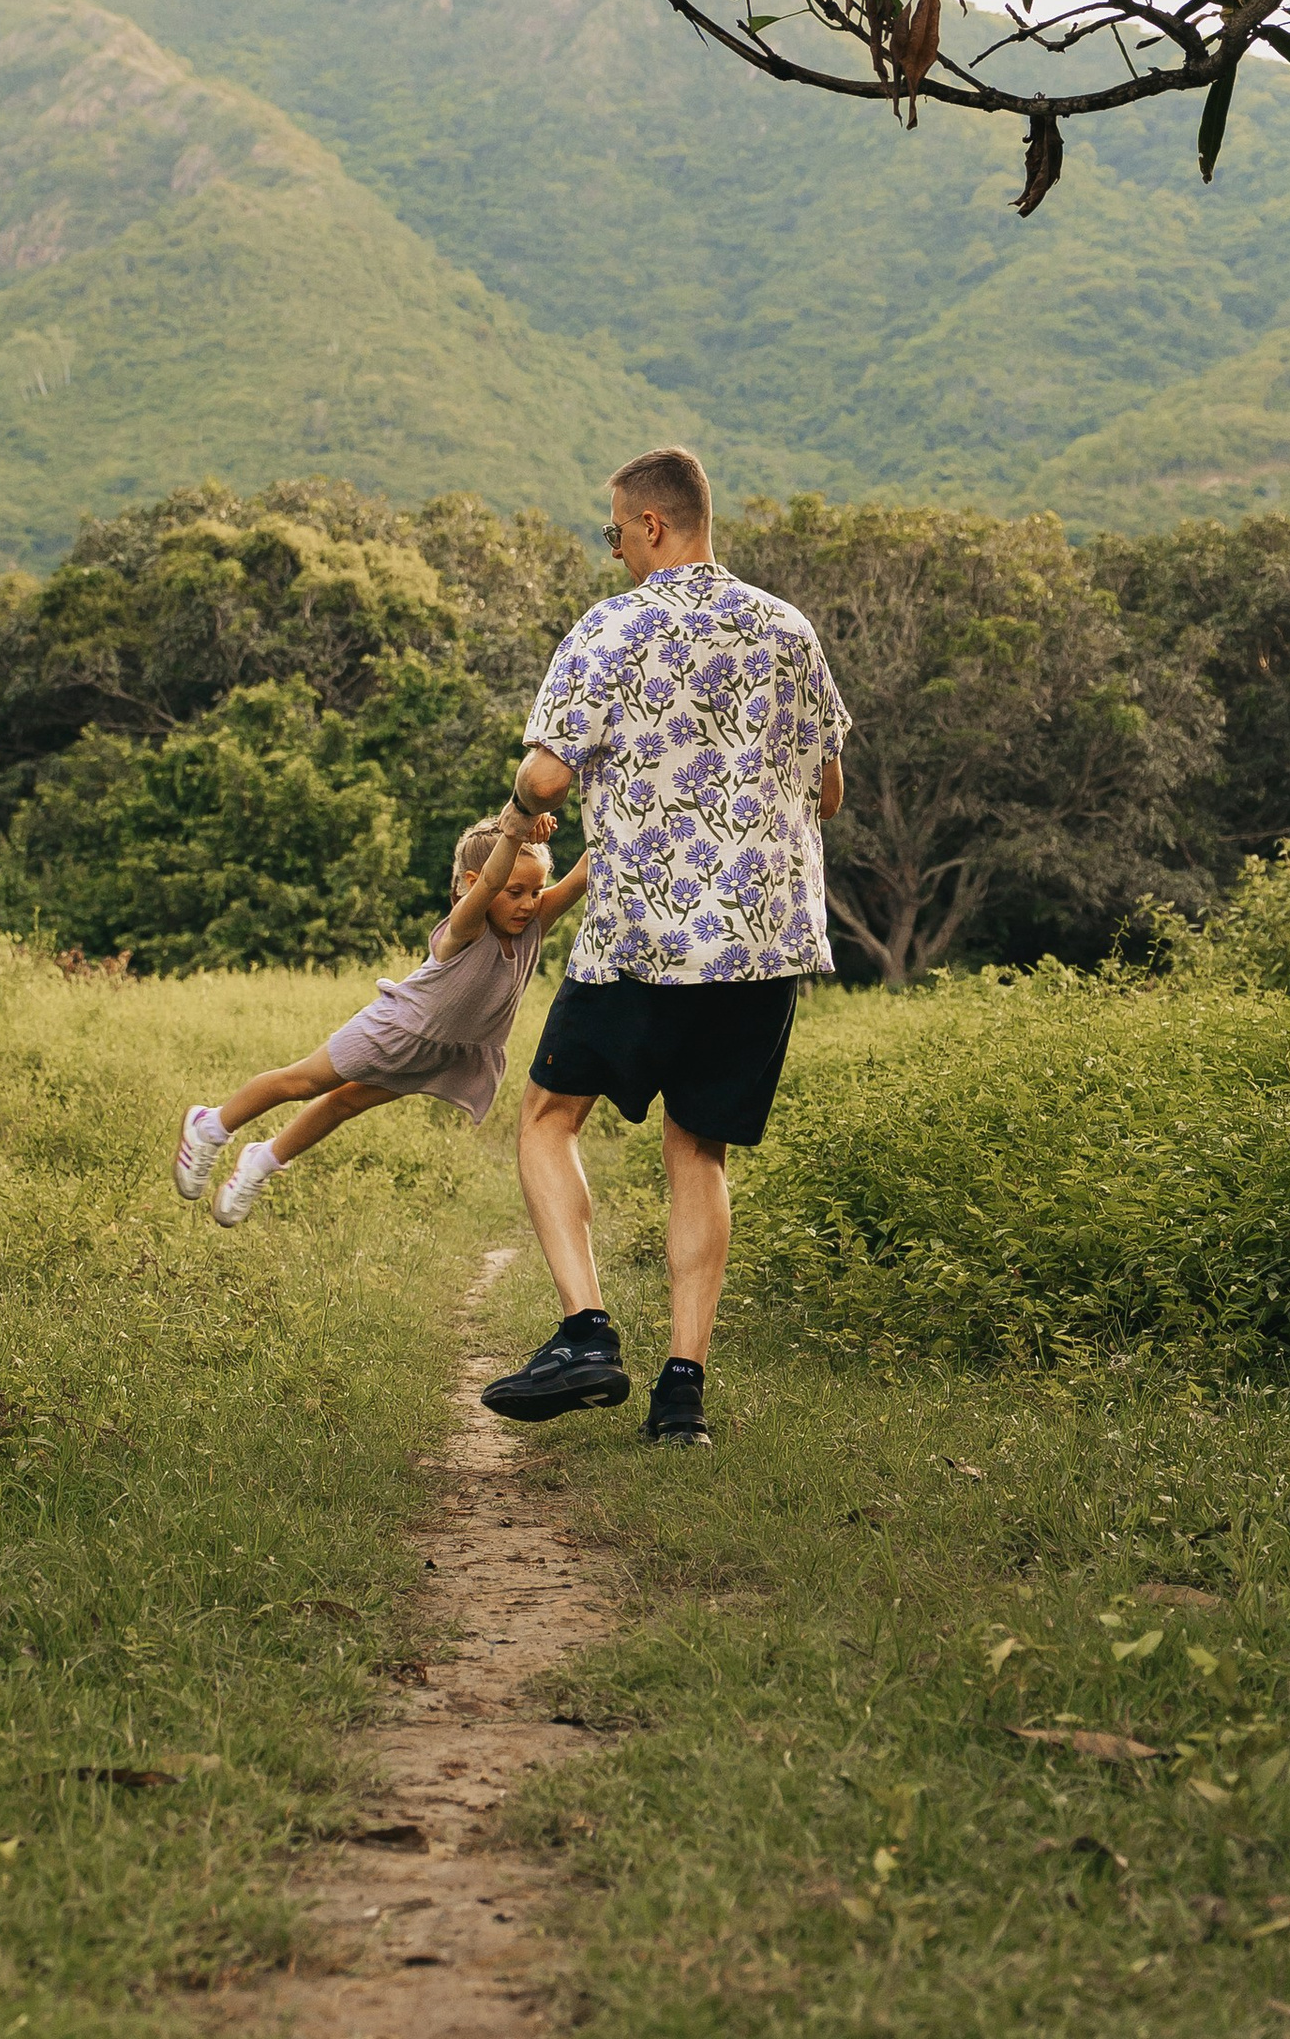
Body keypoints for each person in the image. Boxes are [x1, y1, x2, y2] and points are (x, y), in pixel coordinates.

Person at [481, 447, 847, 1450]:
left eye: (612, 531)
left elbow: (550, 777)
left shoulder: (613, 624)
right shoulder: (787, 627)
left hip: (643, 931)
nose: (614, 550)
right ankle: (681, 1394)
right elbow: (827, 792)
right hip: (763, 942)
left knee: (549, 1117)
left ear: (649, 525)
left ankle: (585, 1330)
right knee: (698, 1145)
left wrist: (517, 810)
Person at [173, 809, 589, 1227]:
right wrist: (516, 829)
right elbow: (493, 880)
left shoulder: (534, 924)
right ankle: (210, 1125)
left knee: (345, 1103)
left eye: (535, 891)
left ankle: (261, 1161)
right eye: (515, 891)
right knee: (302, 1082)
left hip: (440, 1052)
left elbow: (586, 871)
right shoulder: (466, 927)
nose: (528, 903)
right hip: (395, 1029)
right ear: (472, 884)